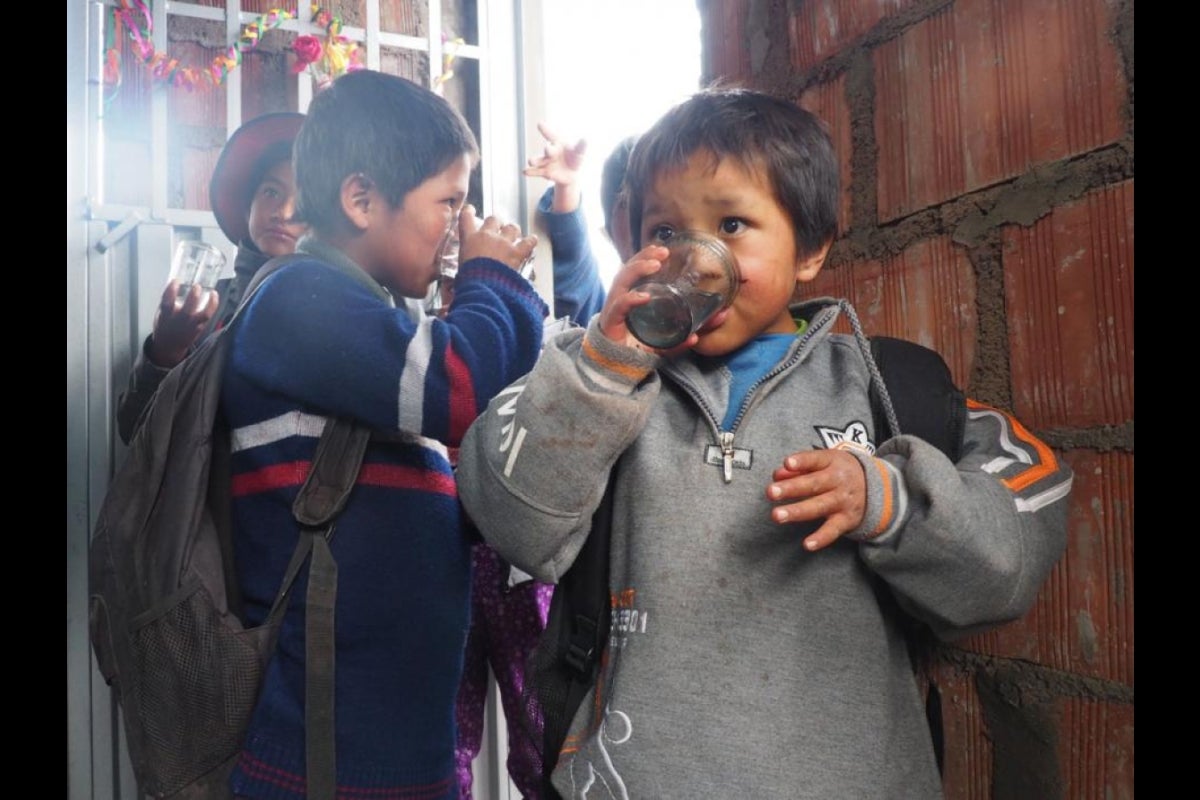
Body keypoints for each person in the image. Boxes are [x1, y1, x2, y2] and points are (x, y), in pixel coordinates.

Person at [455, 86, 1073, 798]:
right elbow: (509, 516)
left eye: (732, 223)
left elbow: (1012, 555)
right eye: (663, 232)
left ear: (809, 248)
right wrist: (599, 371)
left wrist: (892, 501)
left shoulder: (885, 390)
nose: (693, 257)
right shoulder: (591, 378)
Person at [221, 70, 547, 800]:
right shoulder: (298, 299)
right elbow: (459, 387)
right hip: (322, 759)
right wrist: (492, 278)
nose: (462, 226)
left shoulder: (375, 321)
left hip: (390, 743)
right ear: (362, 200)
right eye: (450, 202)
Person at [452, 122, 616, 799]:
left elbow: (581, 299)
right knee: (445, 729)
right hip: (452, 552)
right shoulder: (439, 336)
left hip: (529, 562)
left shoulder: (554, 331)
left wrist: (566, 197)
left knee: (543, 722)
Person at [116, 112, 308, 445]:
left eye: (303, 204)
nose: (283, 212)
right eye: (271, 193)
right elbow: (135, 432)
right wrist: (166, 350)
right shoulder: (203, 308)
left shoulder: (334, 314)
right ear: (248, 206)